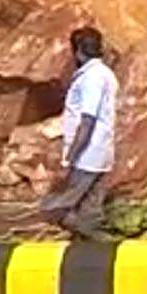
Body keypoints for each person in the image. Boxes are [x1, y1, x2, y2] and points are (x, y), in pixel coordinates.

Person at [40, 27, 118, 239]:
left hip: (86, 156)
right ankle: (96, 247)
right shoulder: (105, 74)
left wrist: (69, 160)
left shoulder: (91, 78)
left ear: (77, 52)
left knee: (53, 208)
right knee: (90, 214)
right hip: (101, 154)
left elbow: (87, 122)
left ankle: (96, 239)